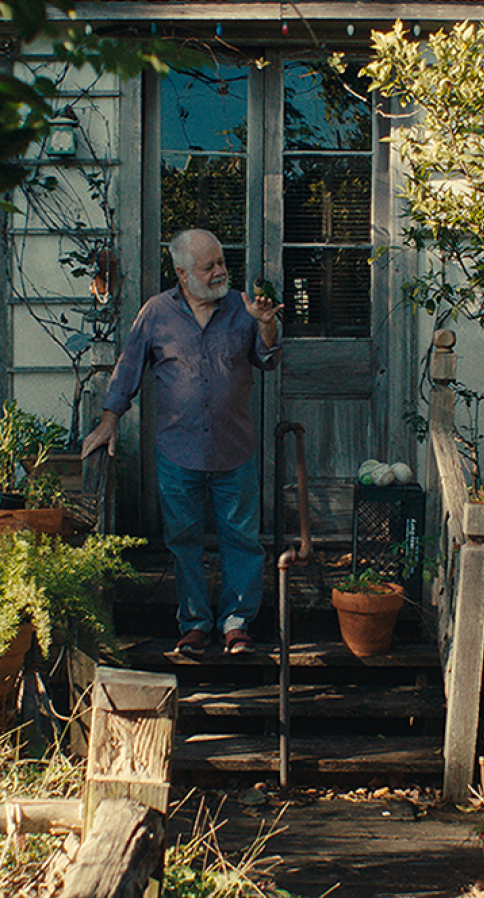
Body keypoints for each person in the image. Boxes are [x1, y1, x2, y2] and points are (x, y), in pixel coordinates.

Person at [81, 229, 283, 656]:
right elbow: (129, 367)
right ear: (182, 273)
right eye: (209, 266)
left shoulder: (243, 307)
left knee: (241, 541)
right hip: (178, 452)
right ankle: (194, 623)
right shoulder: (156, 312)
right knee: (183, 541)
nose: (220, 271)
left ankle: (236, 624)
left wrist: (266, 326)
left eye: (221, 262)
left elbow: (267, 359)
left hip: (234, 449)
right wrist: (109, 420)